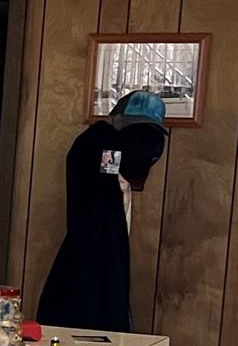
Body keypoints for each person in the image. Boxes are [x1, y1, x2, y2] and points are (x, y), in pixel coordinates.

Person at [36, 90, 169, 332]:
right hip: (92, 260)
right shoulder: (99, 144)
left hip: (93, 256)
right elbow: (126, 168)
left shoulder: (97, 142)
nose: (143, 143)